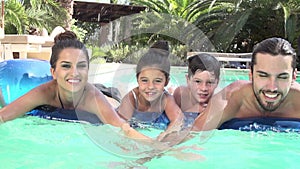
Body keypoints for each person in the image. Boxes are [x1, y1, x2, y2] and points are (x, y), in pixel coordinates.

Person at [0, 31, 149, 140]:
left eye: (81, 66)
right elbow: (4, 115)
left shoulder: (92, 97)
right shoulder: (45, 92)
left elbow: (123, 128)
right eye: (66, 66)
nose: (74, 72)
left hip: (108, 96)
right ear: (53, 71)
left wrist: (156, 146)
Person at [192, 37, 300, 131]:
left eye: (282, 77)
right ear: (251, 75)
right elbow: (193, 135)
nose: (272, 87)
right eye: (263, 75)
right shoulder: (231, 99)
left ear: (294, 77)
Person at [117, 40, 185, 140]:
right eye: (144, 80)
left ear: (166, 82)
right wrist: (149, 142)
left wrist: (165, 135)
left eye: (157, 81)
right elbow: (122, 127)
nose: (150, 86)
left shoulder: (166, 99)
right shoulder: (131, 98)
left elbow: (179, 120)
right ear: (137, 80)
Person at [173, 53, 221, 125]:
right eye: (198, 81)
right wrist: (195, 108)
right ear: (188, 80)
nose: (204, 88)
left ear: (217, 82)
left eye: (210, 82)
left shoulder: (217, 102)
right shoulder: (181, 95)